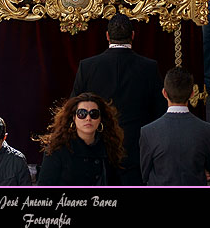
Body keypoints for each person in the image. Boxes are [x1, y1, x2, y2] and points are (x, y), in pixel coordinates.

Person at [71, 13, 167, 185]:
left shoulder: (87, 67)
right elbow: (160, 111)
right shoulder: (149, 67)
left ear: (107, 36)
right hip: (137, 149)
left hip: (99, 148)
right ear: (132, 36)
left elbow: (74, 109)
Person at [139, 66, 210, 186]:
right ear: (192, 93)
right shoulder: (207, 130)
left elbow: (144, 174)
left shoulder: (148, 132)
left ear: (164, 93)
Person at [36, 92, 125, 186]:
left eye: (94, 114)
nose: (88, 118)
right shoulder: (57, 149)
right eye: (82, 113)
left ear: (100, 119)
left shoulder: (109, 147)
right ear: (74, 118)